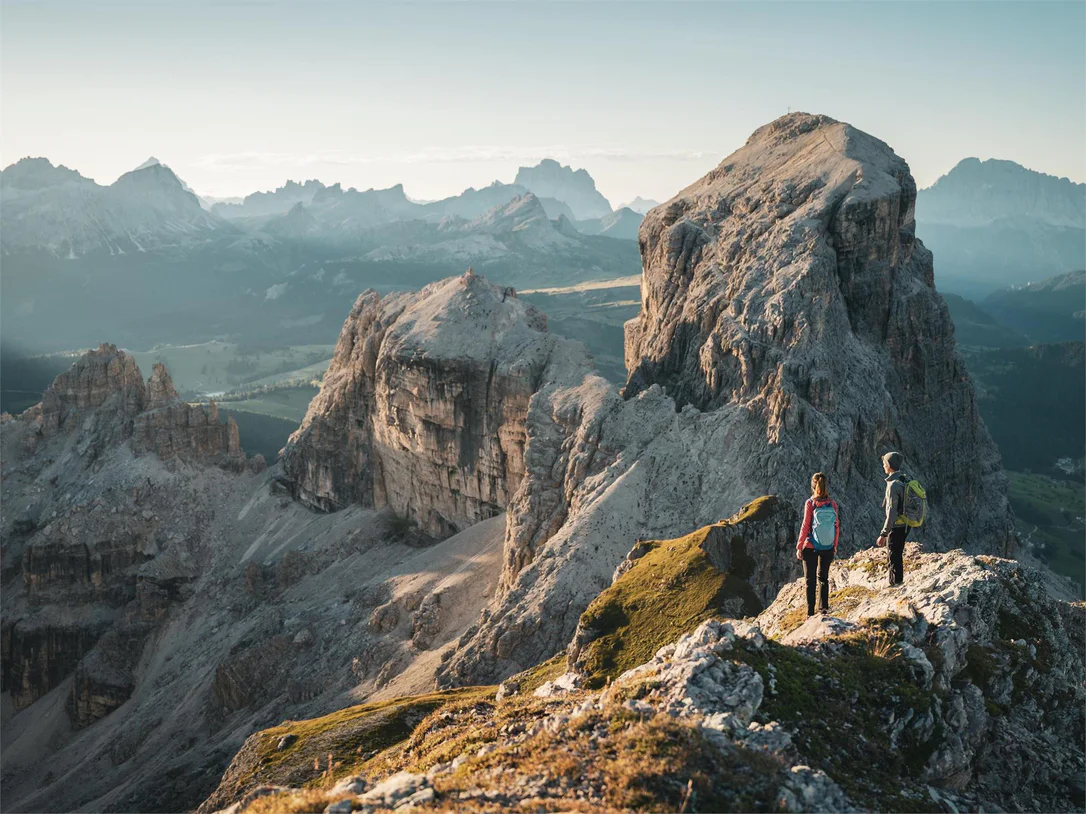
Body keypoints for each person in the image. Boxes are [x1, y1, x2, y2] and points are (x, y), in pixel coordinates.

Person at [795, 472, 840, 617]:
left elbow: (805, 525)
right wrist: (834, 544)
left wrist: (799, 545)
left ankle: (810, 613)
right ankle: (824, 609)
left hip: (810, 546)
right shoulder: (832, 504)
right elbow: (836, 526)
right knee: (823, 578)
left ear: (813, 486)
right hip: (827, 546)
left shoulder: (810, 503)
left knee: (810, 580)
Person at [877, 451, 908, 586]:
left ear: (889, 465)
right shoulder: (903, 480)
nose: (883, 466)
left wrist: (883, 533)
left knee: (893, 556)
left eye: (884, 464)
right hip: (906, 524)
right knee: (898, 554)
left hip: (896, 526)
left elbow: (891, 512)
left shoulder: (893, 485)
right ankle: (899, 582)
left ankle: (895, 584)